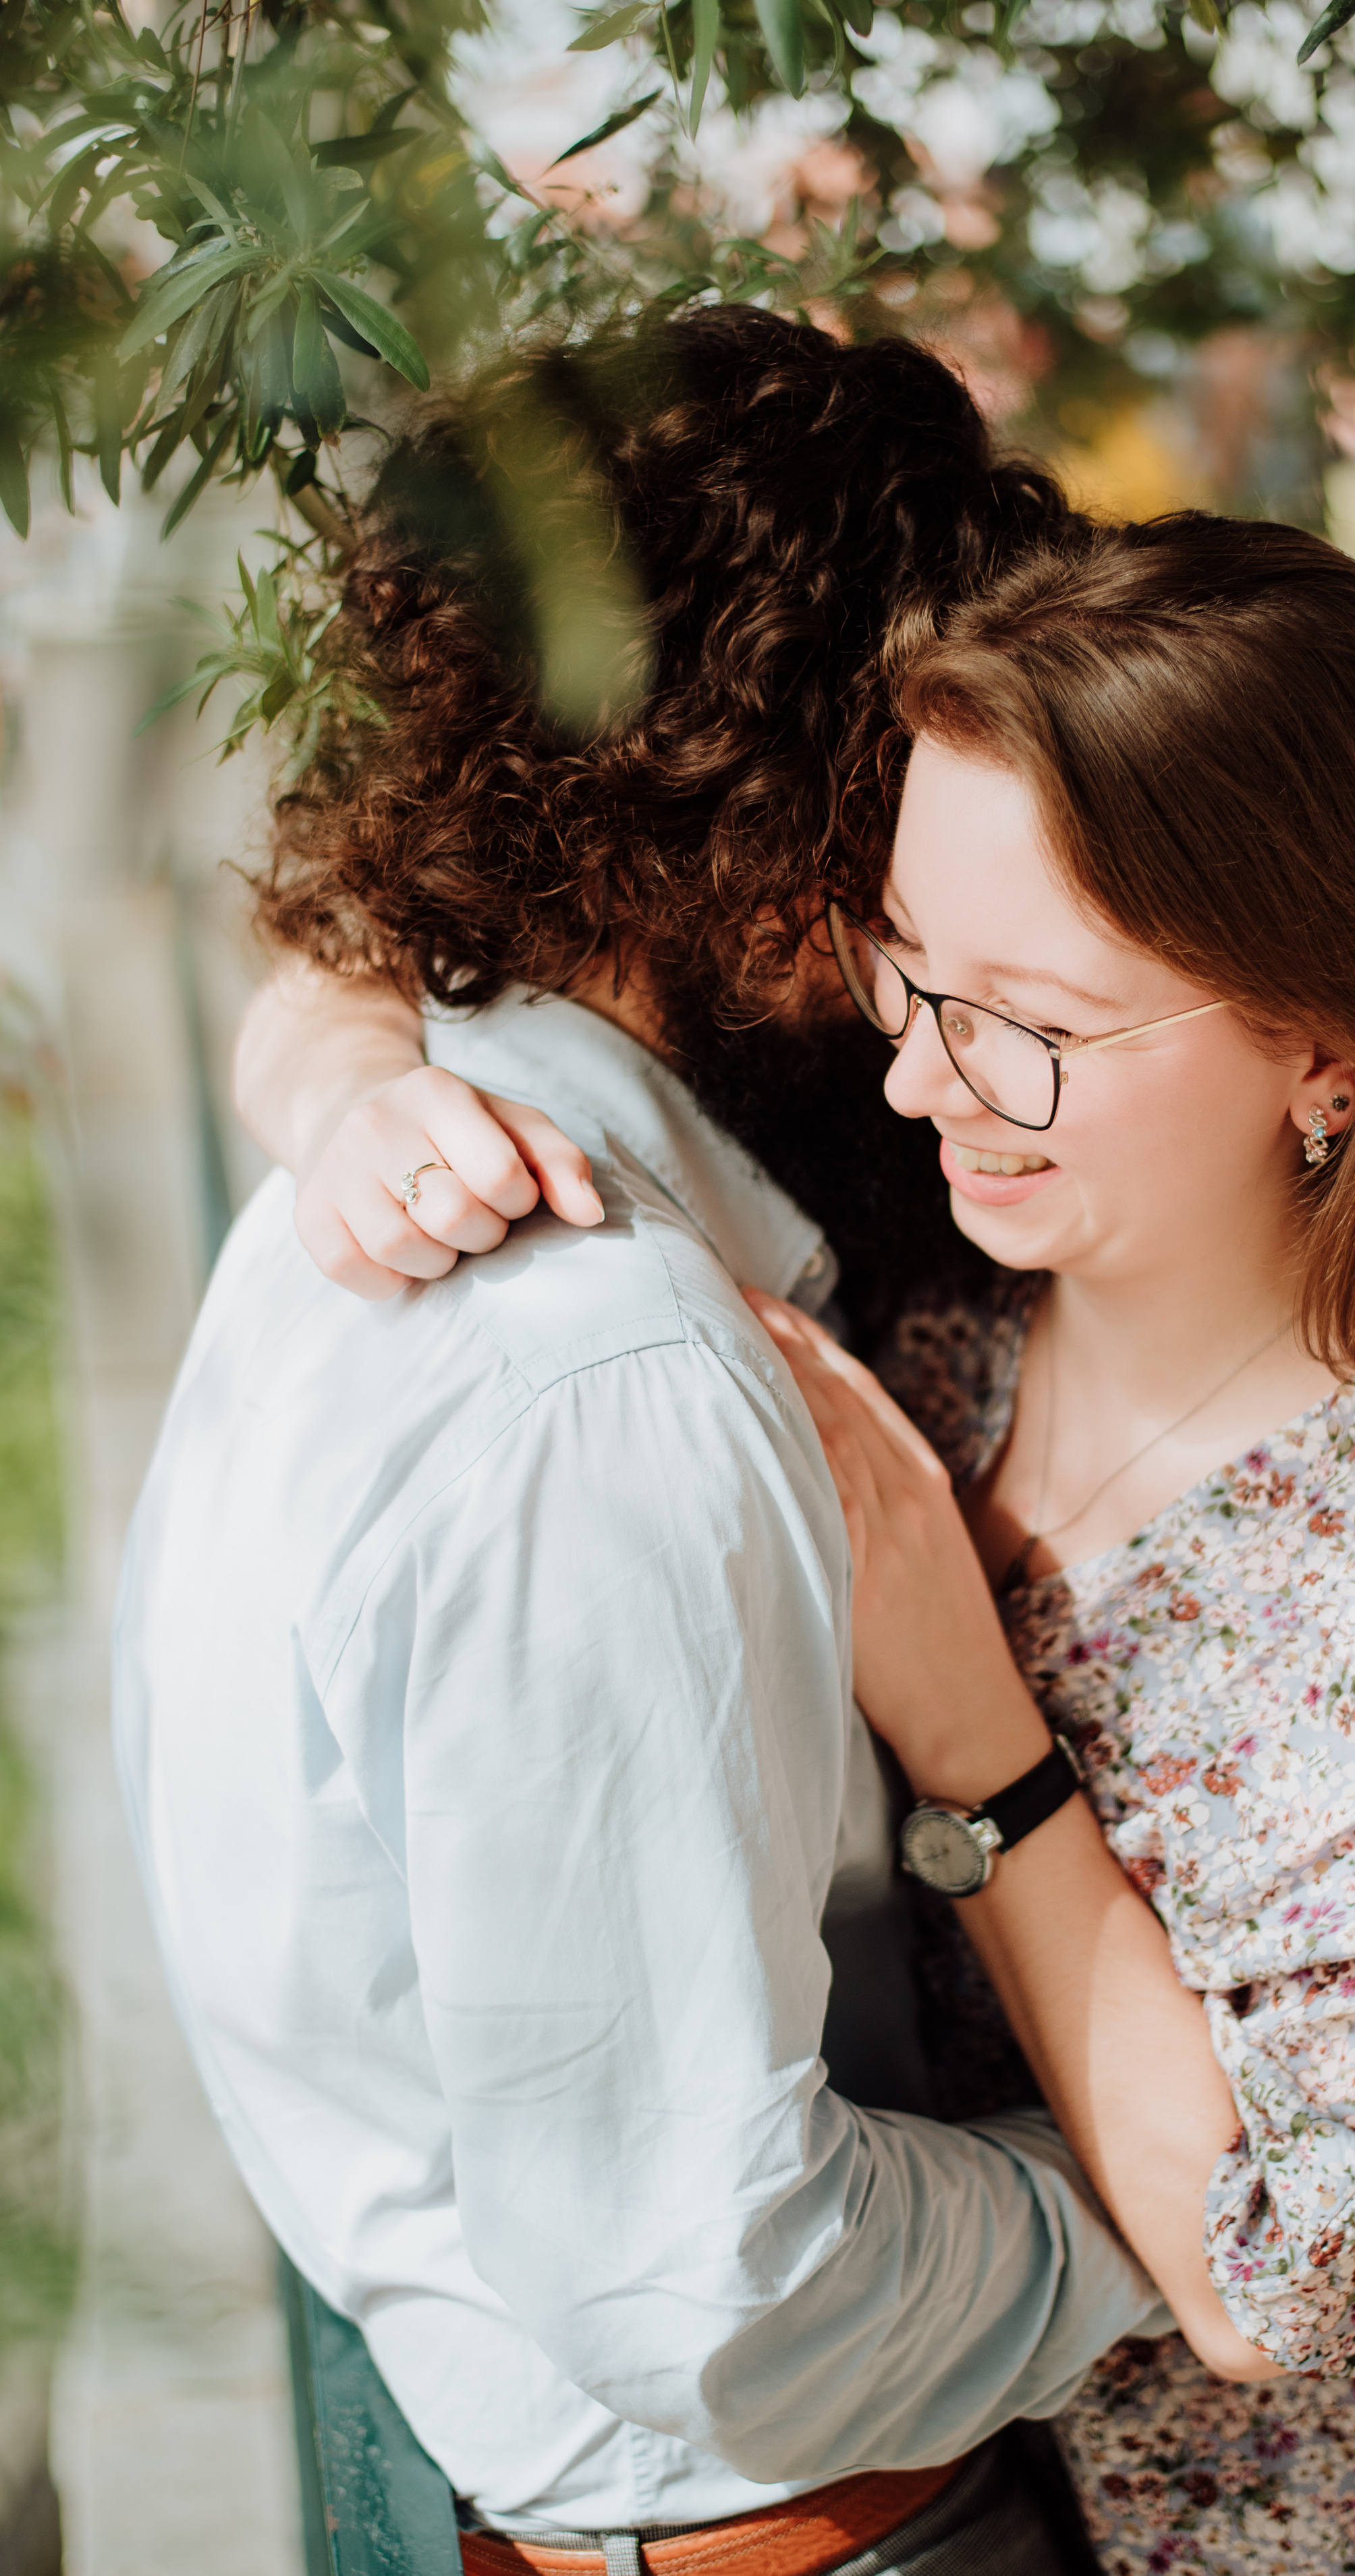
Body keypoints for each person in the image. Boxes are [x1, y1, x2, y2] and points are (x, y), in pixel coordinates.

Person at [266, 513, 1355, 2575]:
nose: (924, 1071)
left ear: (1326, 1047)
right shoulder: (945, 1284)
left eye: (1028, 1019)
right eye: (905, 962)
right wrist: (348, 1094)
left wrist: (978, 1736)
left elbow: (1280, 2281)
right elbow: (371, 892)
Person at [113, 310, 1172, 2576]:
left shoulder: (399, 1180)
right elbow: (716, 2293)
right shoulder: (601, 1379)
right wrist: (1164, 2200)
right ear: (798, 845)